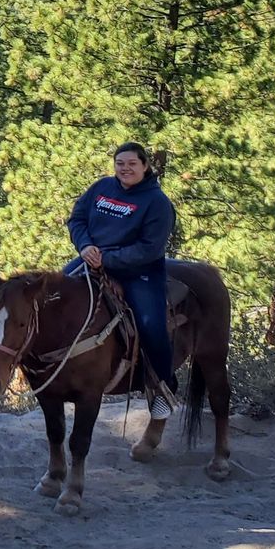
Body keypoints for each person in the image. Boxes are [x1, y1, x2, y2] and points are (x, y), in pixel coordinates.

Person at [67, 141, 177, 414]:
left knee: (151, 326)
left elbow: (150, 248)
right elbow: (77, 219)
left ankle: (161, 388)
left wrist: (108, 259)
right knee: (54, 295)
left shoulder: (157, 203)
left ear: (145, 166)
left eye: (132, 164)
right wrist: (85, 246)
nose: (125, 169)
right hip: (91, 259)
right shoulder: (101, 188)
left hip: (138, 271)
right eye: (120, 164)